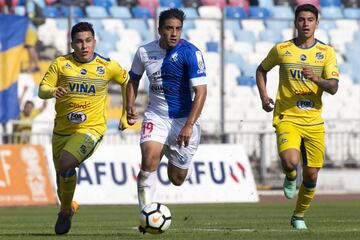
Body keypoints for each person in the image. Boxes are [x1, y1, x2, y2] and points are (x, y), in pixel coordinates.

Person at [38, 22, 129, 235]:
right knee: (63, 177)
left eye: (88, 40)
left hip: (91, 129)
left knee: (67, 162)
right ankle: (69, 206)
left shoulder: (107, 66)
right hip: (61, 132)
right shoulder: (61, 64)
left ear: (94, 41)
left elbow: (127, 81)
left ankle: (63, 213)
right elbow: (42, 90)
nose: (84, 46)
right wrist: (53, 91)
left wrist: (126, 112)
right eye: (79, 41)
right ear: (72, 44)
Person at [255, 4, 339, 230]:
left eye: (310, 20)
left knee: (311, 177)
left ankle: (298, 216)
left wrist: (316, 79)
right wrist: (264, 96)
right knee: (290, 161)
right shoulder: (282, 49)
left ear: (317, 23)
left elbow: (333, 87)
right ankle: (291, 175)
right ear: (295, 23)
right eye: (301, 20)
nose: (306, 24)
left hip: (313, 120)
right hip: (287, 116)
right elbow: (261, 69)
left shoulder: (326, 52)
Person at [126, 8, 207, 233]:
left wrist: (189, 125)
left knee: (177, 178)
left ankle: (179, 164)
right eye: (169, 28)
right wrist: (129, 105)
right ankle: (145, 217)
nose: (174, 33)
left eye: (178, 28)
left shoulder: (191, 53)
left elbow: (201, 92)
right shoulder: (144, 52)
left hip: (184, 120)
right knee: (149, 160)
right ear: (160, 29)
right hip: (156, 115)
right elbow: (132, 80)